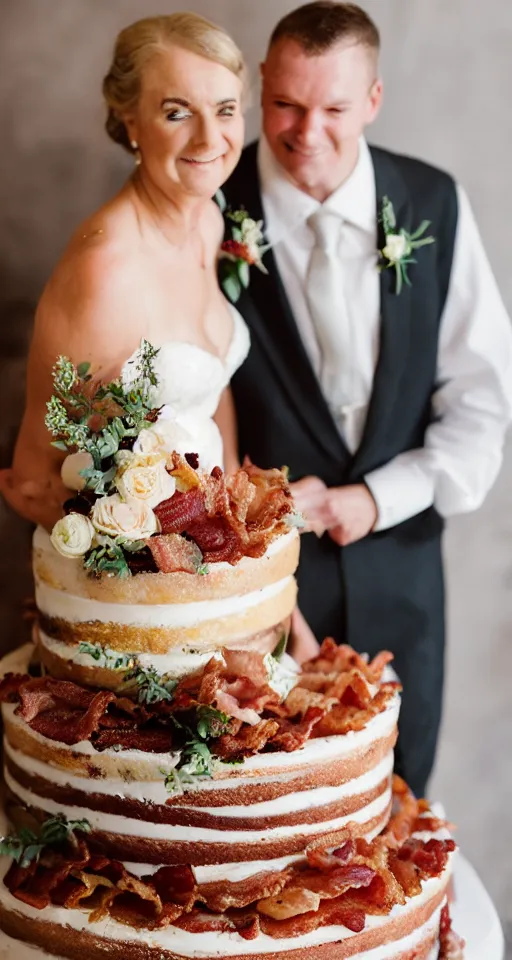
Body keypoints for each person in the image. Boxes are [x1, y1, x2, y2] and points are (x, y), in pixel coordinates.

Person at [223, 1, 512, 797]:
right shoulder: (208, 208)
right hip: (262, 593)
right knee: (268, 822)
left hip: (405, 577)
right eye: (284, 104)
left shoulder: (434, 204)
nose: (306, 132)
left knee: (398, 803)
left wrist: (377, 500)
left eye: (335, 109)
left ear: (374, 101)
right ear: (260, 89)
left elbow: (483, 403)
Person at [0, 13, 247, 532]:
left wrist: (230, 525)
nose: (209, 140)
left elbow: (211, 385)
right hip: (131, 589)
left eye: (225, 110)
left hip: (210, 550)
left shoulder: (208, 219)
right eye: (177, 113)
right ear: (130, 120)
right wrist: (161, 578)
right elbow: (34, 480)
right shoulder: (105, 270)